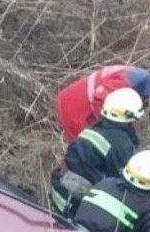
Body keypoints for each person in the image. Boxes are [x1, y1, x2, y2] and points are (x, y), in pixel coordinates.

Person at [49, 88, 144, 217]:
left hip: (59, 195)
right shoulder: (121, 143)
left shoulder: (96, 128)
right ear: (130, 118)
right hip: (76, 208)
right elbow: (125, 184)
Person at [55, 65, 150, 142]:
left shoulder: (138, 76)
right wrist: (110, 131)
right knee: (80, 154)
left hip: (76, 104)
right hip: (74, 109)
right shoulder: (127, 83)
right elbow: (99, 98)